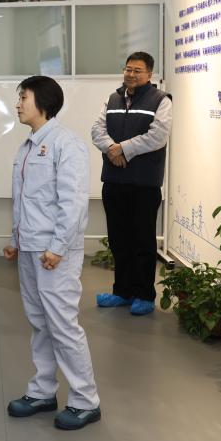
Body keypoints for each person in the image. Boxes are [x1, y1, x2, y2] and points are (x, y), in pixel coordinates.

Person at [4, 75, 101, 430]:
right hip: (31, 249)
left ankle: (85, 401)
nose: (18, 104)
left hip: (54, 253)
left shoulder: (66, 144)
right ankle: (43, 391)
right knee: (39, 322)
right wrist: (15, 239)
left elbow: (72, 204)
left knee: (62, 325)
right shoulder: (28, 146)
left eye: (23, 98)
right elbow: (25, 200)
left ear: (42, 102)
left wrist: (58, 248)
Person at [91, 51, 172, 316]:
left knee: (142, 241)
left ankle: (144, 295)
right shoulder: (112, 98)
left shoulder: (161, 100)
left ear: (149, 74)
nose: (131, 74)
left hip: (144, 183)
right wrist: (112, 149)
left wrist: (123, 149)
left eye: (137, 70)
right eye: (128, 69)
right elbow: (97, 130)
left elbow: (157, 136)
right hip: (114, 180)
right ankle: (122, 292)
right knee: (118, 239)